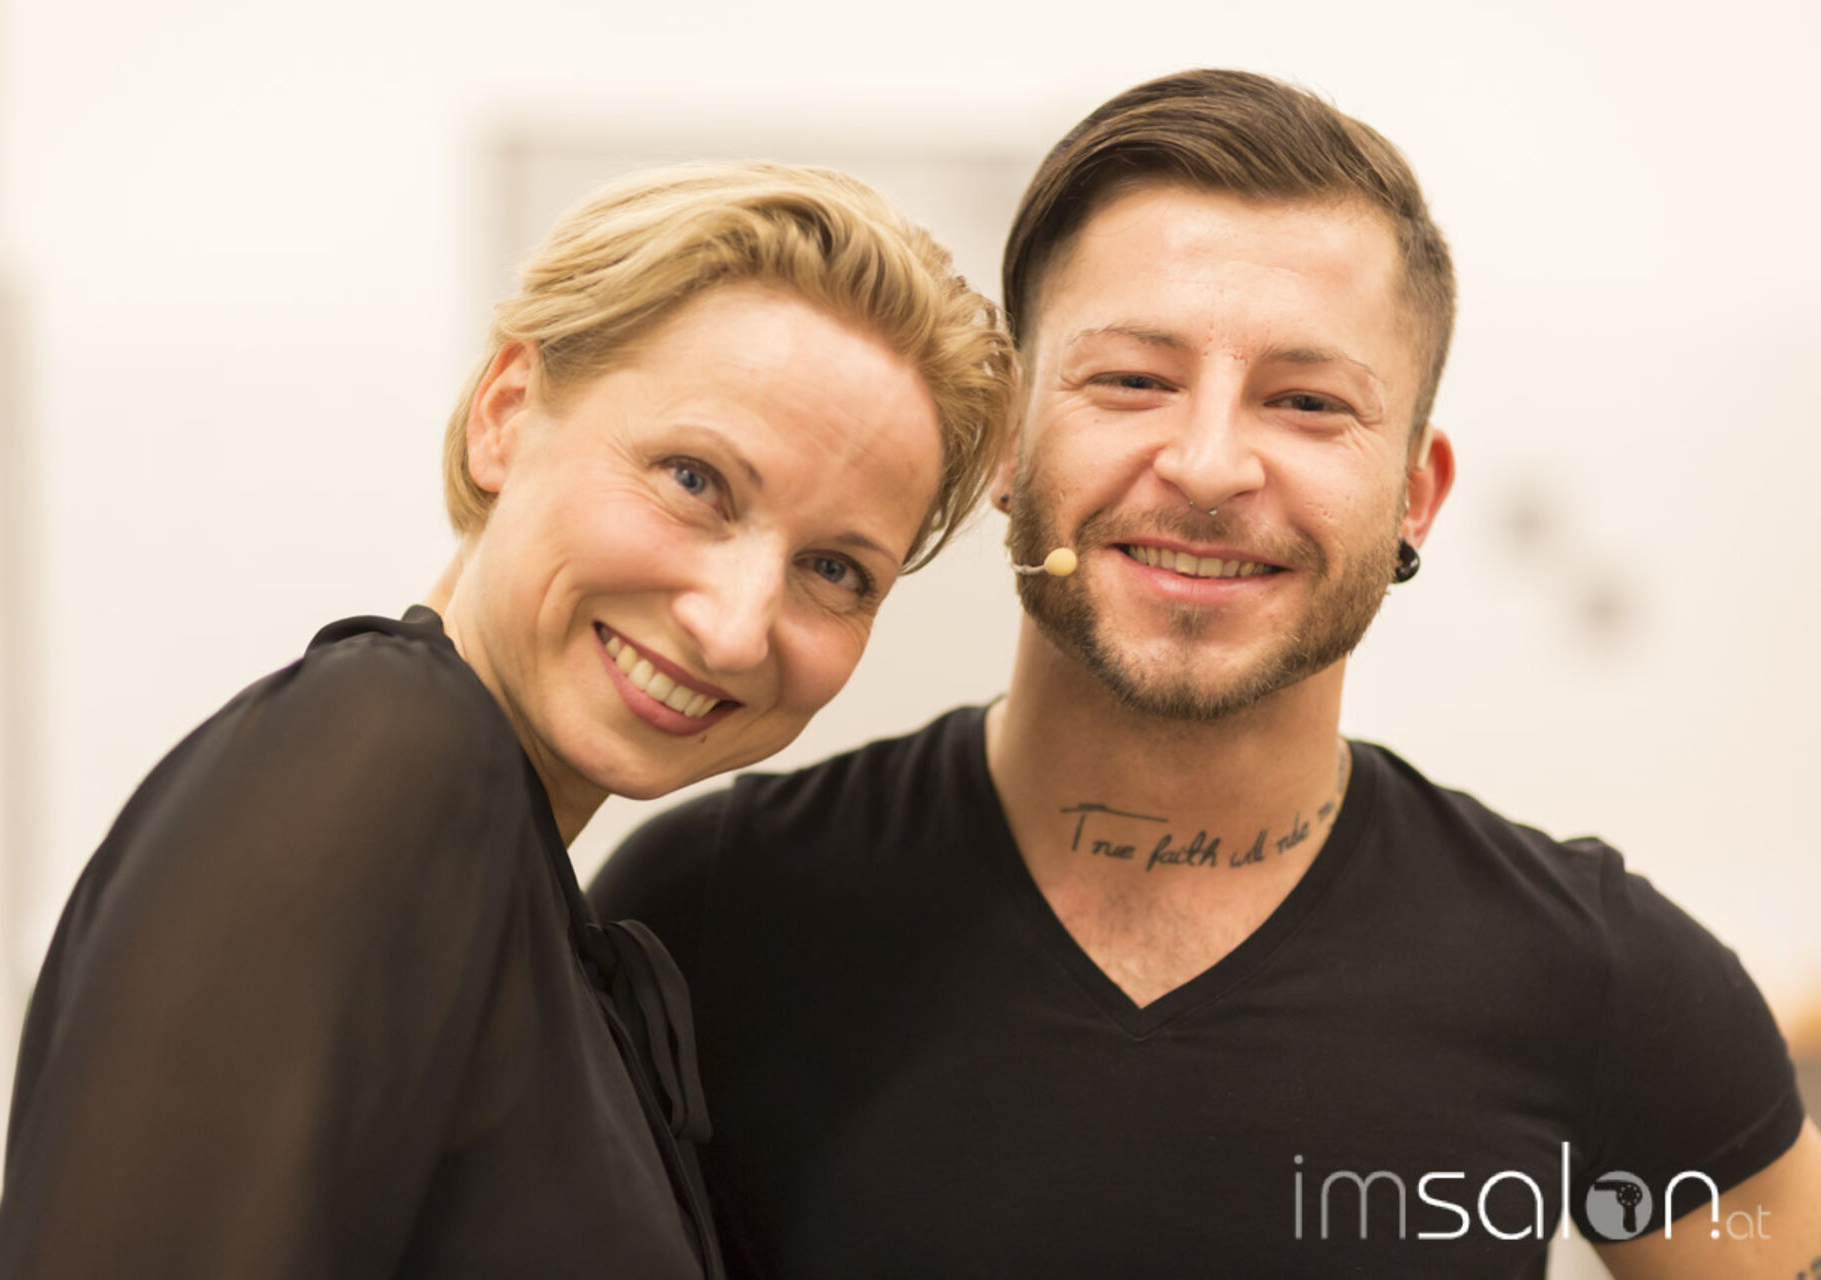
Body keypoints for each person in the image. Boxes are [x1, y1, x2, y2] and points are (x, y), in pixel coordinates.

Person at [591, 73, 1821, 1277]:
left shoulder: (1610, 982)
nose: (1209, 464)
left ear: (1415, 495)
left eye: (1308, 401)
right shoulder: (705, 911)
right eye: (1133, 379)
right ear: (1004, 441)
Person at [0, 162, 1015, 1279]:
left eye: (834, 569)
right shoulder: (386, 746)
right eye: (694, 479)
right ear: (505, 414)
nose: (733, 629)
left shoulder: (524, 898)